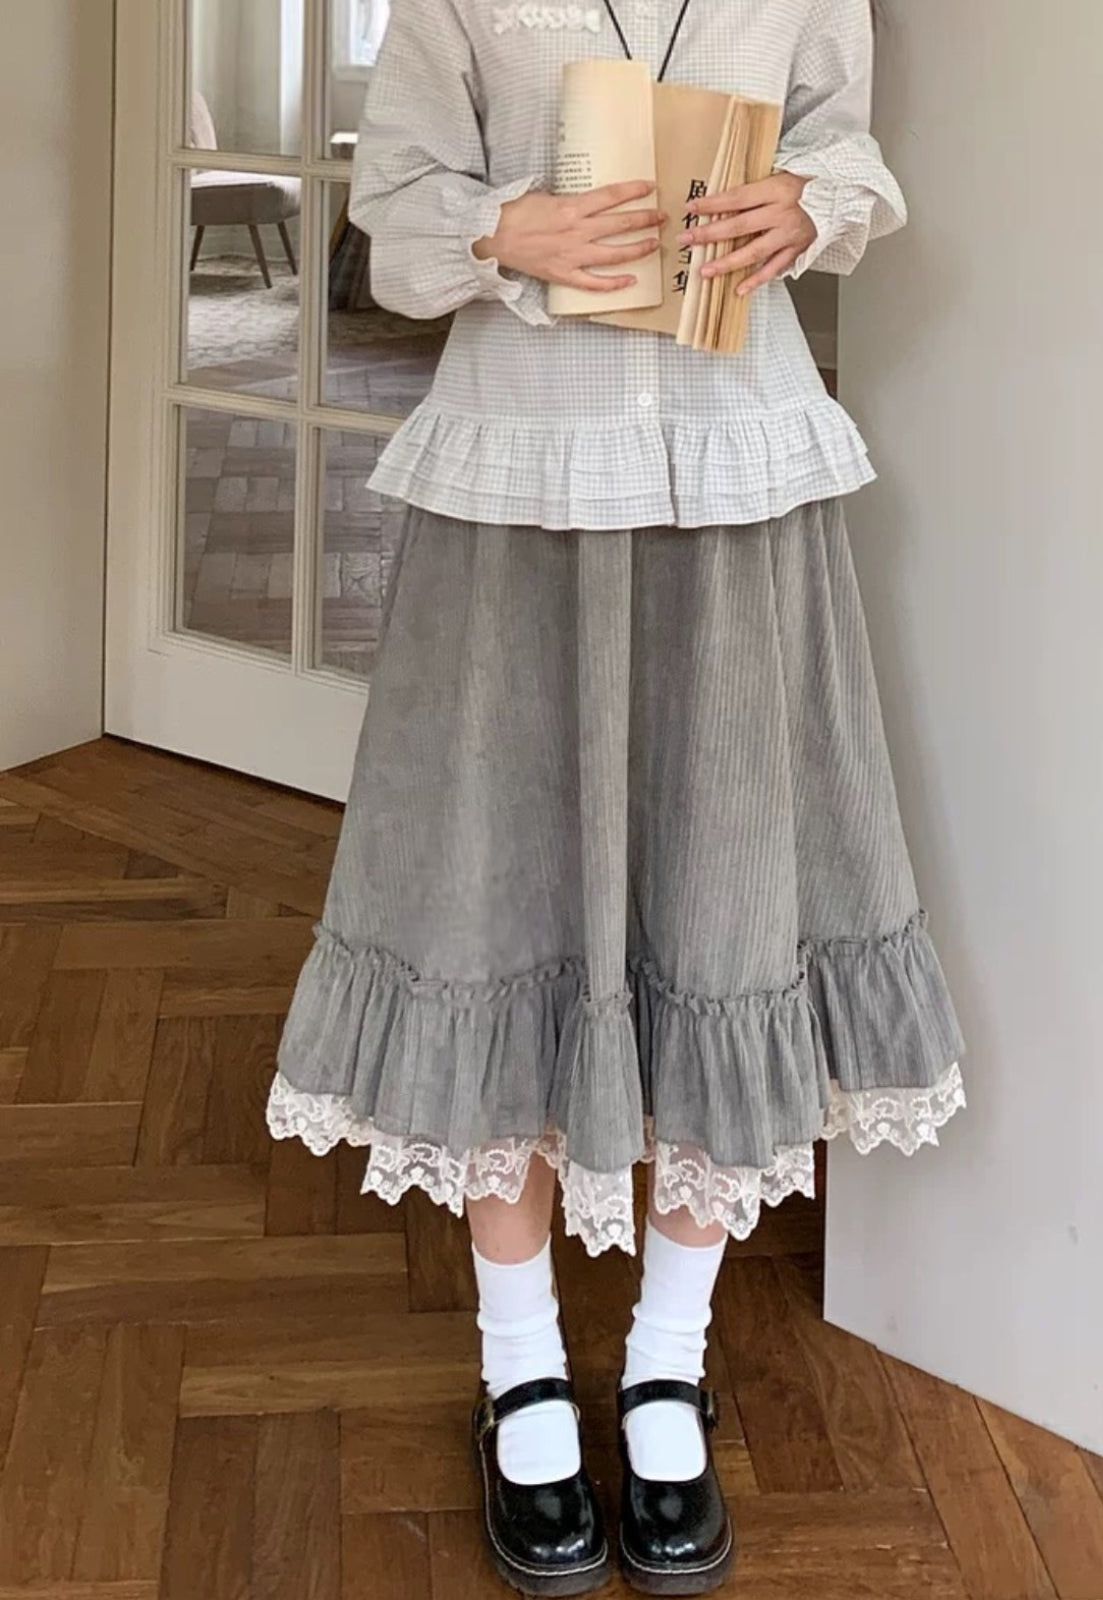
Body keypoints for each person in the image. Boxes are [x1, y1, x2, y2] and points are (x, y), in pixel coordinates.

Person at [266, 1, 965, 1593]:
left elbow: (850, 154)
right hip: (515, 471)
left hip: (740, 471)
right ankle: (520, 1361)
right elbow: (394, 215)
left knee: (731, 902)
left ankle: (668, 1359)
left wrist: (809, 207)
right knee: (490, 899)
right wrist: (506, 229)